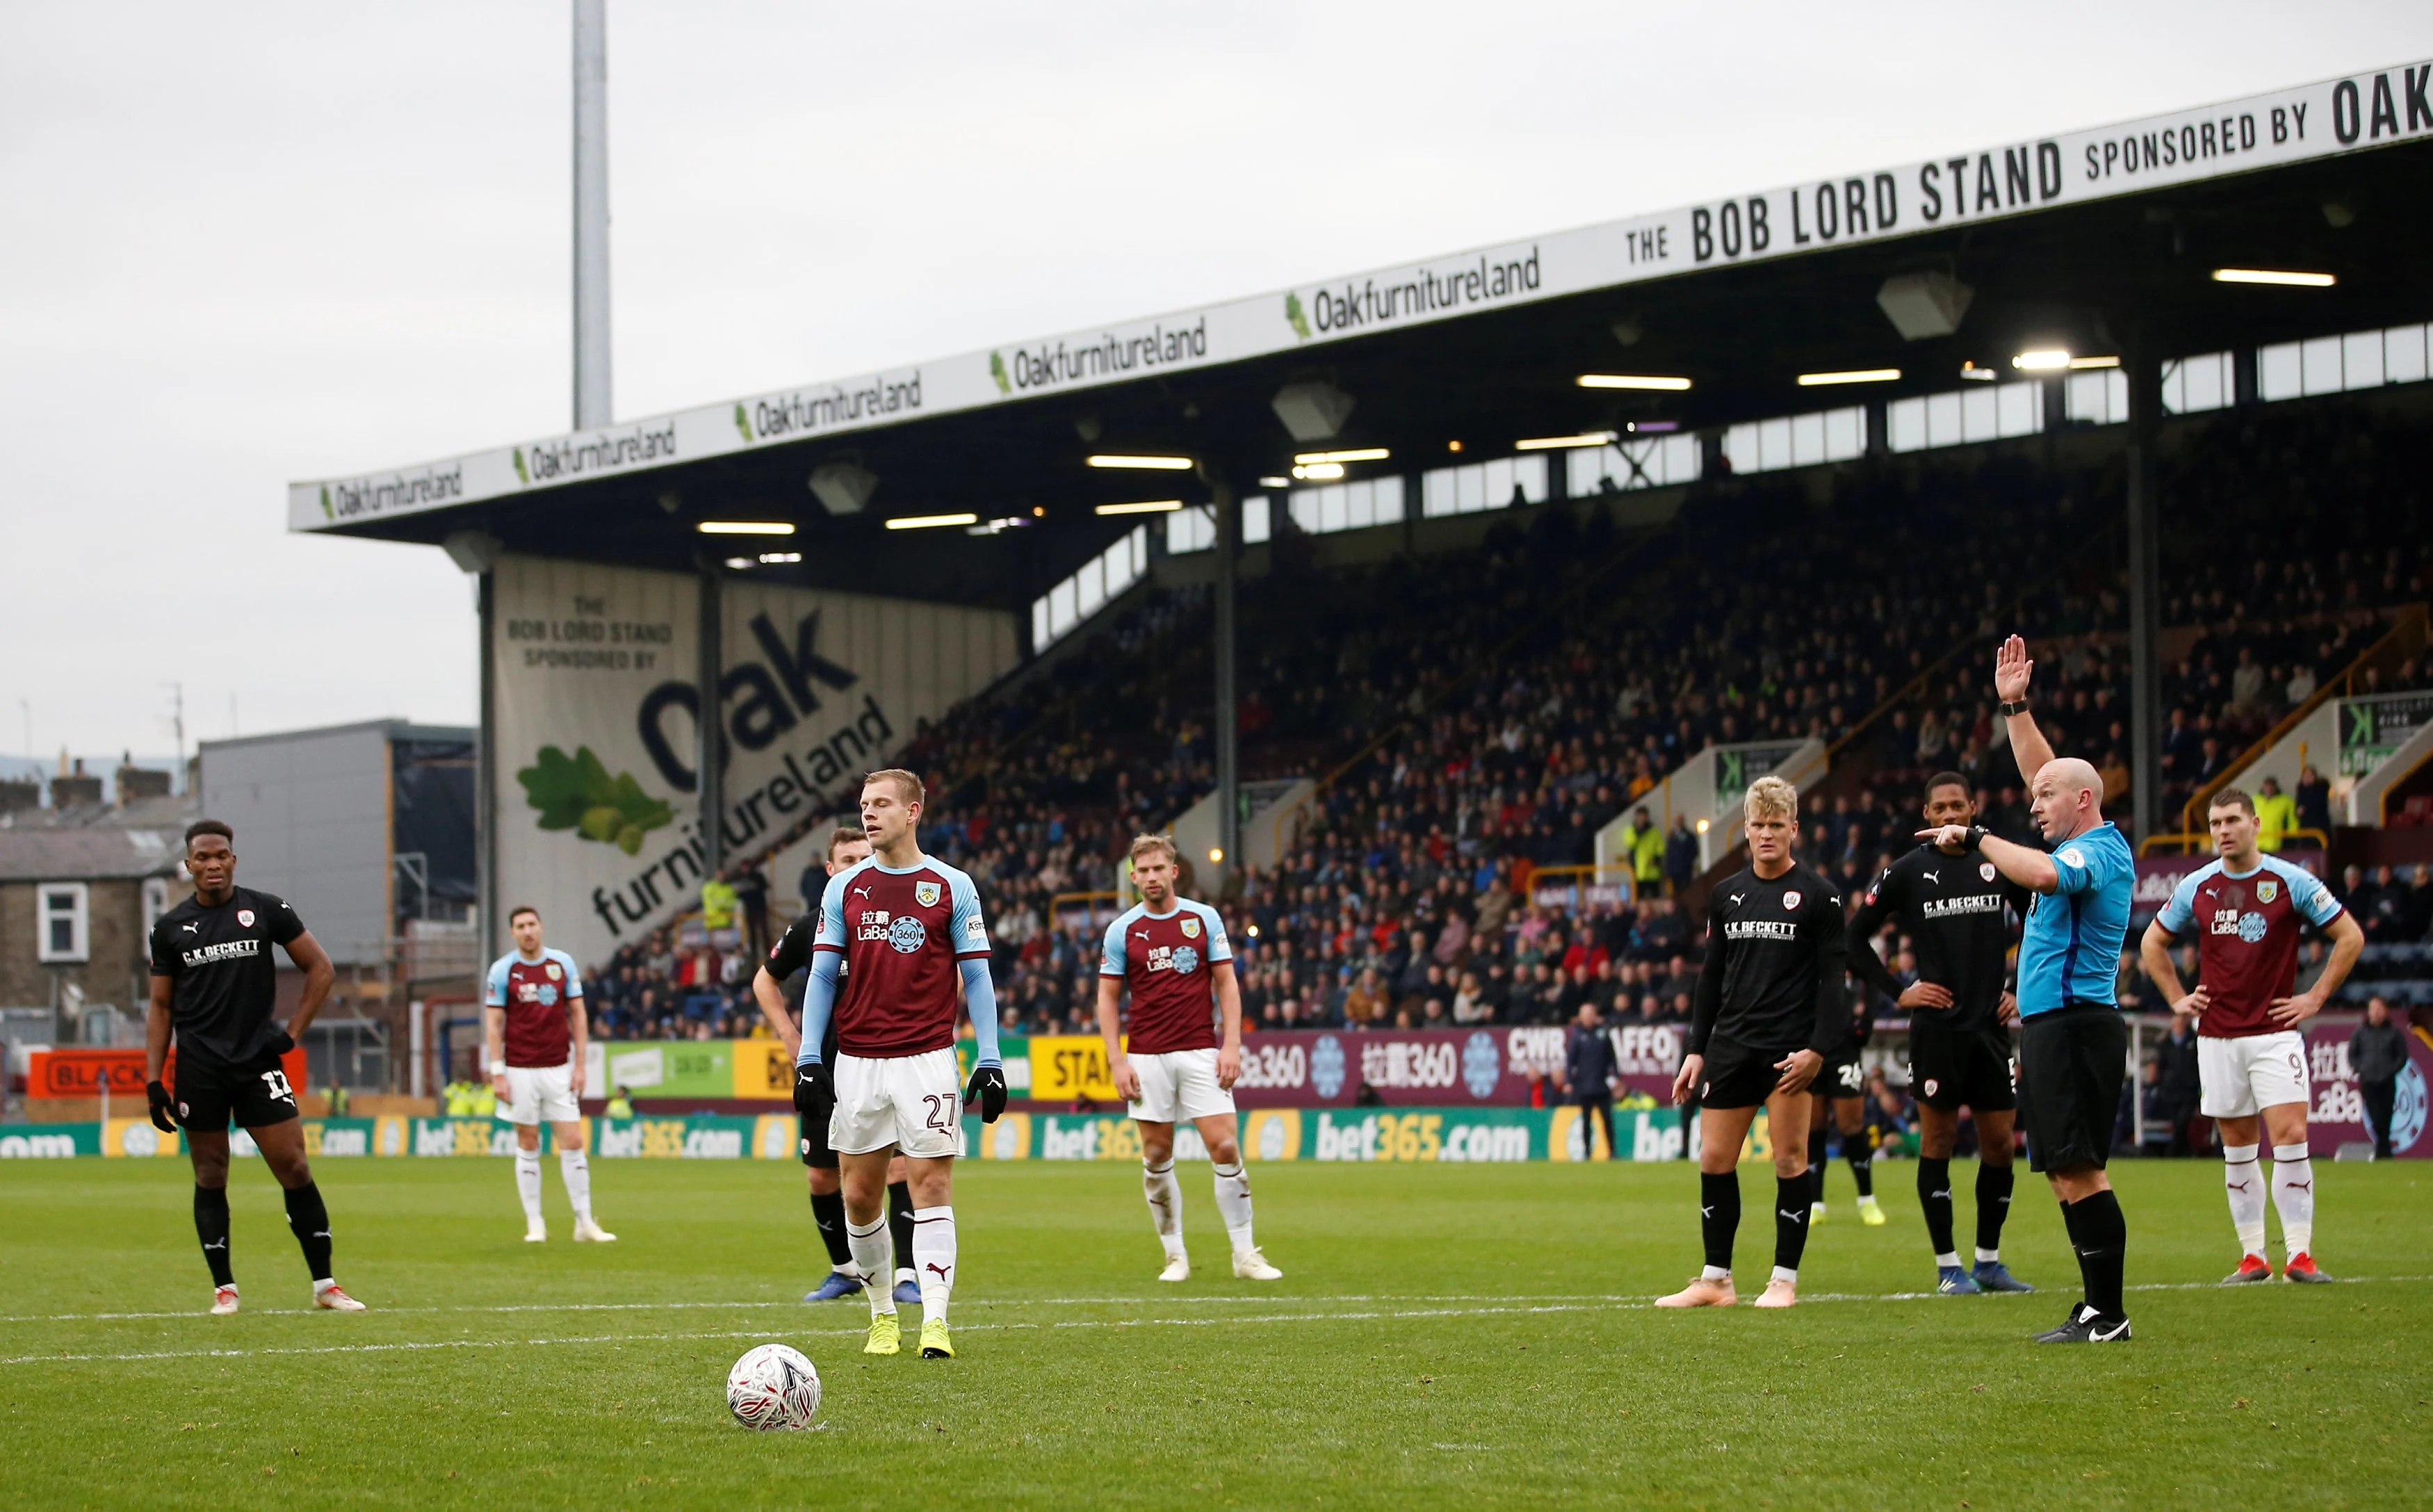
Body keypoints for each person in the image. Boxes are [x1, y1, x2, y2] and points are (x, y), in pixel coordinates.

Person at [1919, 636, 2135, 1344]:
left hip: (2076, 1023)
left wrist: (1973, 833)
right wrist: (2012, 705)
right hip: (2049, 1026)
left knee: (2079, 1171)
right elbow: (2047, 771)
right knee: (2061, 1174)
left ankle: (2107, 1314)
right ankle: (2094, 1308)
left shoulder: (2094, 850)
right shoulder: (2074, 828)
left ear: (2081, 801)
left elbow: (2041, 875)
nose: (2031, 802)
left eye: (2044, 798)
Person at [788, 770, 1006, 1360]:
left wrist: (989, 1055)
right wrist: (810, 1056)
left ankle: (935, 1320)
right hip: (858, 1061)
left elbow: (979, 976)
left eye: (881, 804)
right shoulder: (844, 890)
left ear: (914, 811)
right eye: (863, 805)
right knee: (859, 1195)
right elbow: (823, 976)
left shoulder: (951, 885)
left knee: (931, 1183)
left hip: (929, 1059)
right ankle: (883, 1312)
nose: (869, 813)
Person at [143, 820, 366, 1315]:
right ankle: (225, 1289)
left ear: (234, 860)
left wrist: (291, 1033)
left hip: (257, 1061)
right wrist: (154, 1079)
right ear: (189, 866)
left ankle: (326, 1285)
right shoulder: (169, 929)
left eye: (221, 854)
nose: (213, 864)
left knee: (295, 1165)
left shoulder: (264, 909)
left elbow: (321, 967)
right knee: (210, 1172)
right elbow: (160, 1007)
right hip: (200, 1067)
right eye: (202, 857)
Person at [2141, 790, 2362, 1282]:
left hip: (2275, 1032)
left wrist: (2315, 997)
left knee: (2291, 1136)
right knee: (2237, 1146)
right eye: (2216, 822)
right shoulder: (2197, 886)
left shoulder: (2290, 880)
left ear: (2255, 823)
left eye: (2232, 820)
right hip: (2217, 1037)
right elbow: (2152, 942)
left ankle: (2300, 1255)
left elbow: (2351, 936)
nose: (2223, 830)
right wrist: (2177, 997)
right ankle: (2253, 1256)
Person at [1658, 776, 1842, 1311]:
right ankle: (1716, 1279)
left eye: (1776, 825)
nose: (1766, 834)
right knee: (1714, 1158)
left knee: (1789, 1160)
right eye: (1758, 825)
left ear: (1794, 830)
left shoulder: (1820, 896)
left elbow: (1835, 983)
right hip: (1731, 1045)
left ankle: (1784, 1279)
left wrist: (1818, 1049)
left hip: (1789, 1049)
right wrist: (1696, 1049)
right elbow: (1711, 977)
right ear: (1745, 829)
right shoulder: (1726, 894)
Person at [1847, 772, 2035, 1294]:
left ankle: (1989, 1261)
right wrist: (1899, 990)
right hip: (1936, 1030)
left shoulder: (1999, 862)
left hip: (1990, 1027)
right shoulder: (1906, 873)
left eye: (1959, 806)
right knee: (1939, 1138)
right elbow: (1854, 940)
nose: (1950, 815)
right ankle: (1949, 1265)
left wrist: (2021, 987)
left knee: (2000, 1142)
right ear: (1926, 816)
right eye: (1941, 808)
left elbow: (2040, 923)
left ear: (1973, 809)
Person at [1096, 834, 1280, 1282]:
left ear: (1173, 871)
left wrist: (1231, 1044)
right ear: (1134, 876)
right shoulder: (1122, 930)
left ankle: (1244, 1255)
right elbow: (1107, 997)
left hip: (1200, 1050)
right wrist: (1117, 1061)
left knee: (1225, 1145)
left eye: (1159, 868)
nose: (1152, 877)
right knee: (1157, 1153)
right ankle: (1175, 1255)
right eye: (1143, 871)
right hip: (1146, 1055)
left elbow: (1227, 984)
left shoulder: (1203, 919)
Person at [754, 825, 923, 1306]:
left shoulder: (894, 919)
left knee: (898, 1170)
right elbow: (765, 981)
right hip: (824, 1071)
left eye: (863, 856)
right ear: (830, 870)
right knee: (822, 1178)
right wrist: (790, 1036)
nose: (856, 865)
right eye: (846, 859)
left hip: (886, 1064)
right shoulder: (813, 925)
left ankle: (907, 1273)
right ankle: (844, 1269)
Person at [484, 906, 614, 1244]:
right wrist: (497, 1072)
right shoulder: (503, 970)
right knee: (528, 1141)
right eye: (520, 926)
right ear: (512, 932)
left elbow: (578, 1016)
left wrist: (581, 1065)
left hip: (559, 1067)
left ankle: (584, 1222)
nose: (528, 931)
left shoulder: (561, 965)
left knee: (573, 1140)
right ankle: (535, 1223)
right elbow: (494, 1025)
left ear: (541, 927)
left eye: (532, 924)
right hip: (519, 1069)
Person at [1804, 980, 1880, 1230]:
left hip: (1844, 1053)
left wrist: (1861, 1024)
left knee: (1852, 1126)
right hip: (1811, 1049)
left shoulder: (1858, 975)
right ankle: (1816, 1204)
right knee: (1814, 1127)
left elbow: (1865, 1023)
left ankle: (1867, 1199)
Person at [2350, 996, 2410, 1160]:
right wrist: (2360, 1068)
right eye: (2372, 1009)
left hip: (2387, 1080)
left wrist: (2391, 1070)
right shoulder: (2361, 1033)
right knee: (2374, 1115)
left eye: (2378, 1009)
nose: (2375, 1013)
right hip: (2368, 1080)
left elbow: (2402, 1055)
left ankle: (2382, 1150)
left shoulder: (2394, 1032)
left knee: (2386, 1115)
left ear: (2385, 1011)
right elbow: (2352, 1054)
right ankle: (2384, 1149)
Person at [1559, 1000, 1620, 1159]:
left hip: (1602, 1085)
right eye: (1585, 1015)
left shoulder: (1603, 1034)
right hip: (1584, 1085)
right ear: (1581, 1017)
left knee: (1607, 1120)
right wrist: (1568, 1081)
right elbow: (1570, 1061)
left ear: (1595, 1016)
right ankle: (1587, 1152)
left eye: (1591, 1014)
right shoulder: (1577, 1036)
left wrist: (1615, 1077)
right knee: (1586, 1121)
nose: (1588, 1018)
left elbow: (1612, 1058)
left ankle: (1612, 1152)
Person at [2252, 775, 2297, 854]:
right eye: (2267, 787)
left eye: (2271, 787)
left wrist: (2292, 835)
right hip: (2257, 843)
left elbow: (2292, 819)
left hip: (2275, 844)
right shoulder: (2256, 800)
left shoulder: (2285, 801)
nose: (2269, 789)